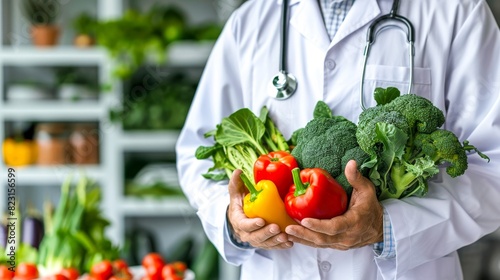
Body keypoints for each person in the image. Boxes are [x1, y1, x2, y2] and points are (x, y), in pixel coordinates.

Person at [175, 0, 500, 279]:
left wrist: (388, 227)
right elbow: (198, 152)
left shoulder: (456, 11)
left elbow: (493, 163)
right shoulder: (251, 21)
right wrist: (232, 217)